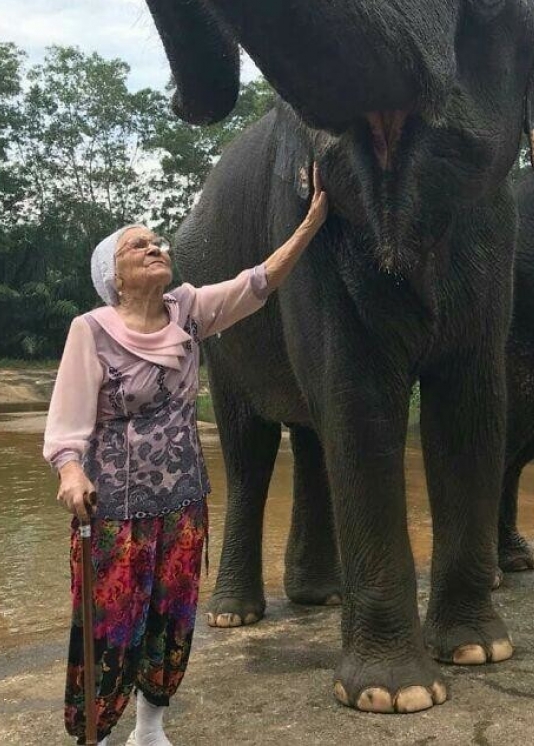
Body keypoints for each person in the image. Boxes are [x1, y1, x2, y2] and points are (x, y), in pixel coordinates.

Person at [44, 168, 328, 746]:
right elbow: (67, 422)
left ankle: (150, 729)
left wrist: (312, 221)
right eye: (138, 245)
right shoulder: (91, 331)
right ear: (113, 276)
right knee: (110, 625)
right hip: (114, 514)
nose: (156, 247)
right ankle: (94, 734)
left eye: (158, 240)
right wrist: (70, 470)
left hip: (183, 504)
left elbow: (258, 283)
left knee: (171, 617)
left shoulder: (189, 311)